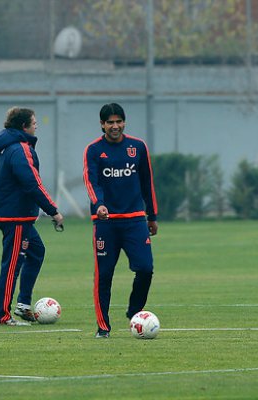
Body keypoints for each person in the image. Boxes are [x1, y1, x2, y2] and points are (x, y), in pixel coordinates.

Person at [83, 103, 158, 338]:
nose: (115, 126)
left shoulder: (137, 147)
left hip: (135, 220)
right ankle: (103, 327)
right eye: (110, 122)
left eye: (119, 122)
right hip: (106, 223)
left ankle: (135, 311)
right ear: (102, 124)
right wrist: (99, 205)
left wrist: (152, 216)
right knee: (104, 276)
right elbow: (91, 182)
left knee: (146, 269)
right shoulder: (94, 150)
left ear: (124, 122)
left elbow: (148, 183)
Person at [0, 107, 63, 326]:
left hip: (8, 212)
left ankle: (23, 305)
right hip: (15, 217)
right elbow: (32, 183)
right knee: (12, 264)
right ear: (24, 126)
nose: (36, 125)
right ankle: (3, 316)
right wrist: (53, 210)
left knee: (37, 252)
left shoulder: (2, 146)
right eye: (34, 122)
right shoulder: (21, 148)